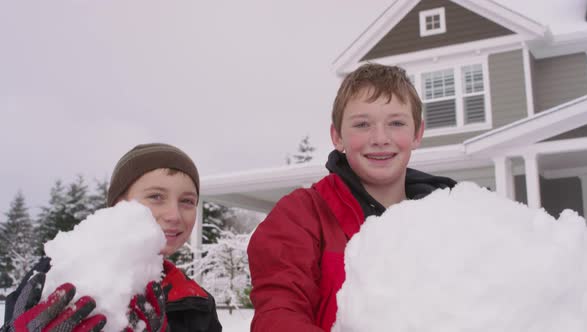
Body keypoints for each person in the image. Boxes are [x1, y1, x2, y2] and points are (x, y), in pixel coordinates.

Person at [247, 63, 457, 331]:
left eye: (396, 123)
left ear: (417, 134)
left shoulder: (452, 215)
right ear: (337, 136)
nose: (380, 138)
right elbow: (278, 314)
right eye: (362, 124)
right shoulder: (301, 215)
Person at [2, 143, 222, 332]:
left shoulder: (199, 303)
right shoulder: (54, 277)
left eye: (187, 201)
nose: (174, 215)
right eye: (156, 196)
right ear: (118, 205)